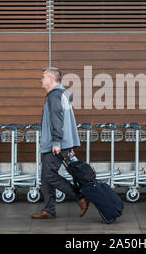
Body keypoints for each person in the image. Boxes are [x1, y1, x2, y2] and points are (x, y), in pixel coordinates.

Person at [31, 67, 89, 219]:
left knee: (49, 175)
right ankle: (49, 210)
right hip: (61, 142)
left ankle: (80, 197)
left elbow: (57, 119)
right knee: (45, 177)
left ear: (50, 79)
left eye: (43, 77)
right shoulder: (62, 94)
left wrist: (57, 141)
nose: (41, 80)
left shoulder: (54, 95)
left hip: (56, 143)